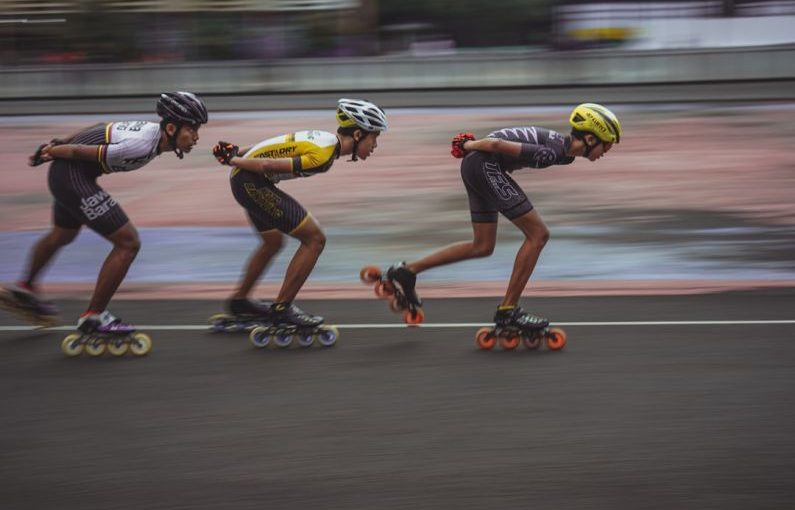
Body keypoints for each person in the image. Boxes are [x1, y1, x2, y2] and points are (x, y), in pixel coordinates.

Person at [379, 103, 622, 330]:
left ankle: (407, 271)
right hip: (484, 162)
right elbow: (496, 145)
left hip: (477, 166)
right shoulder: (554, 151)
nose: (607, 151)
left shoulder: (563, 151)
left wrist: (472, 150)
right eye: (607, 144)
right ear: (590, 138)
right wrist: (469, 145)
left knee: (482, 246)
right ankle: (508, 311)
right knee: (538, 235)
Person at [0, 91, 208, 332]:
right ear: (171, 129)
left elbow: (100, 127)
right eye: (192, 130)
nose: (196, 137)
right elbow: (79, 152)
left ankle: (26, 287)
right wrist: (52, 151)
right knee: (128, 242)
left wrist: (59, 143)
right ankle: (94, 316)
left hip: (70, 175)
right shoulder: (140, 145)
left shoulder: (152, 134)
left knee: (63, 234)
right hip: (71, 175)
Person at [212, 98, 387, 328]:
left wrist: (237, 153)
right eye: (373, 138)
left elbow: (272, 145)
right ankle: (282, 309)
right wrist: (233, 158)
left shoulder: (323, 139)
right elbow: (268, 166)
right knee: (314, 239)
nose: (374, 146)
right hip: (251, 181)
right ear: (357, 135)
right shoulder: (323, 154)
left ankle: (240, 302)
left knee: (272, 242)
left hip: (246, 180)